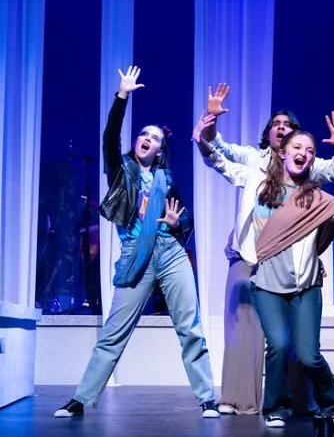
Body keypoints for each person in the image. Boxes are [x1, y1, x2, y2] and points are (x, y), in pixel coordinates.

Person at [195, 112, 334, 433]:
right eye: (298, 148)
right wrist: (203, 139)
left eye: (310, 151)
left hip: (304, 283)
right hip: (266, 279)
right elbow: (221, 163)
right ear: (281, 151)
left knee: (307, 355)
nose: (304, 154)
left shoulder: (316, 195)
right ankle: (275, 407)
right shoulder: (257, 179)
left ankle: (329, 403)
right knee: (278, 344)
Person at [54, 66, 219, 419]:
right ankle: (81, 399)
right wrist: (122, 96)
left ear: (160, 150)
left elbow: (183, 220)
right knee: (114, 332)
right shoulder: (121, 170)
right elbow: (109, 138)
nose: (147, 139)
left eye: (155, 138)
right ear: (137, 142)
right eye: (144, 134)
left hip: (171, 254)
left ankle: (207, 398)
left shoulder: (166, 179)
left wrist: (177, 223)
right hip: (135, 255)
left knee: (190, 327)